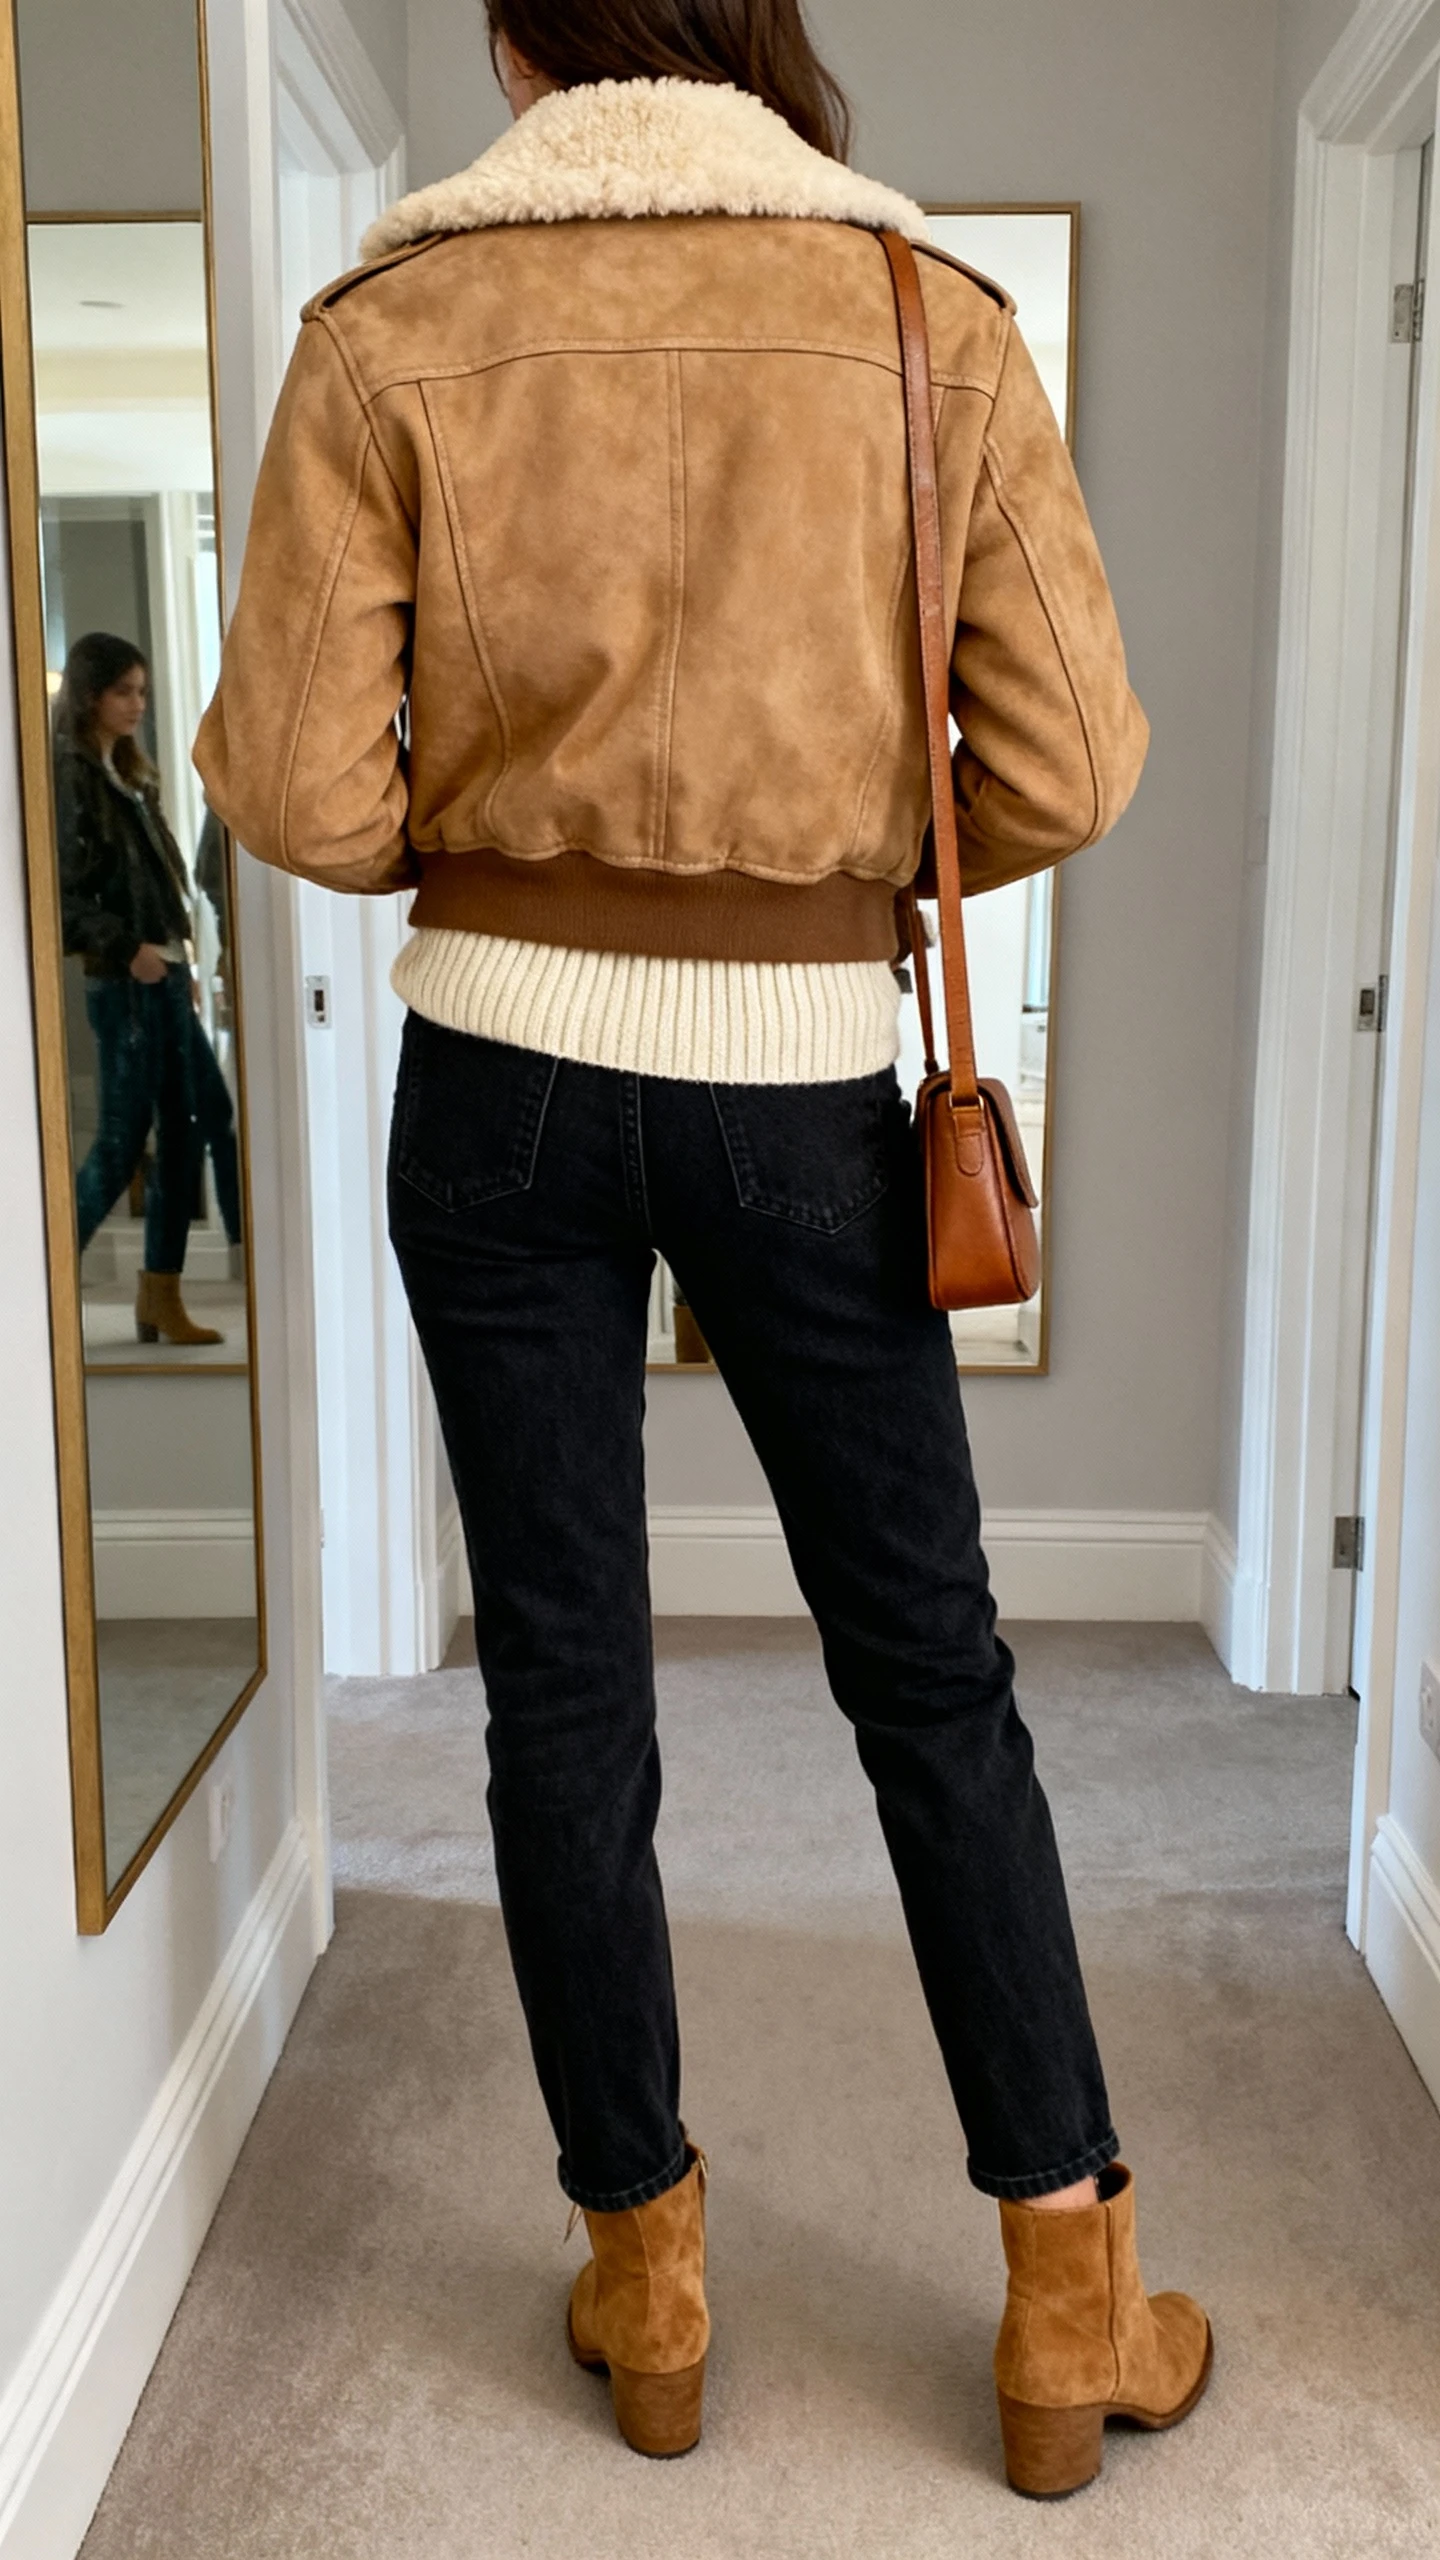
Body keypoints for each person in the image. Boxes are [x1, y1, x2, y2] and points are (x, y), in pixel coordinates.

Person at [196, 0, 1212, 2498]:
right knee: (929, 1681)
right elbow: (1067, 752)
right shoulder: (914, 318)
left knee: (563, 1686)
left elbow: (298, 790)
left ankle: (645, 2273)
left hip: (496, 1087)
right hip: (793, 1089)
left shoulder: (386, 326)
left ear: (522, 37)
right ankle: (1063, 2298)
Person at [56, 631, 234, 1346]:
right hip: (130, 981)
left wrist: (177, 963)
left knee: (200, 1121)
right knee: (125, 1142)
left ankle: (161, 1295)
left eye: (142, 691)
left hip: (164, 974)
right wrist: (130, 952)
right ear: (91, 695)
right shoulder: (73, 775)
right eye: (125, 691)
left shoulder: (127, 772)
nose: (138, 705)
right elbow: (62, 897)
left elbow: (161, 885)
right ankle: (42, 1285)